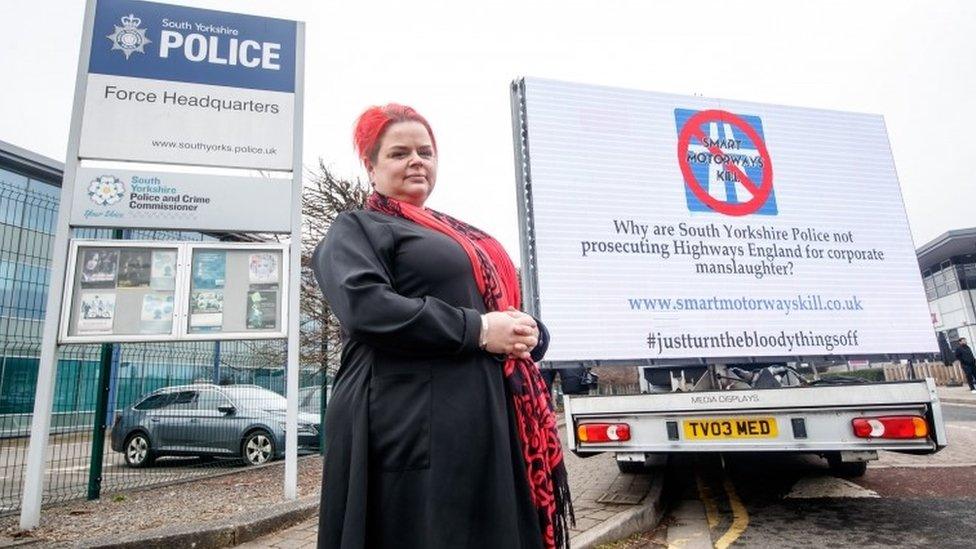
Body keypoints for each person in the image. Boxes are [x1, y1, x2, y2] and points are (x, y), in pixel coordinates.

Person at [312, 104, 573, 549]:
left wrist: (527, 330)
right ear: (371, 167)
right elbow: (366, 306)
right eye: (399, 153)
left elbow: (493, 307)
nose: (417, 160)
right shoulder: (357, 228)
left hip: (486, 418)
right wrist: (477, 330)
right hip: (407, 424)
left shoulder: (457, 231)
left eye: (425, 151)